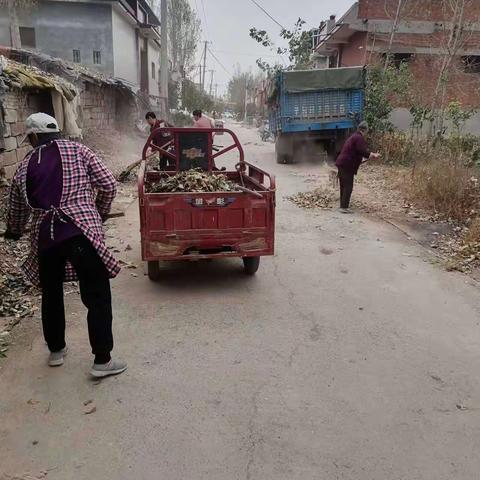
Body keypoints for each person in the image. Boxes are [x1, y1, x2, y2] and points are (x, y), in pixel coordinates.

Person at [4, 113, 127, 378]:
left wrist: (13, 232)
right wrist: (98, 212)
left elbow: (15, 208)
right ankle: (102, 361)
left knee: (51, 292)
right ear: (57, 131)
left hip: (45, 238)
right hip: (80, 232)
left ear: (33, 137)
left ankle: (57, 351)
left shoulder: (24, 166)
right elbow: (107, 184)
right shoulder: (80, 150)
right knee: (96, 294)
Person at [335, 121, 380, 213]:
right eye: (367, 130)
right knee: (348, 186)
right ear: (364, 129)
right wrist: (372, 155)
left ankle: (343, 205)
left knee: (343, 185)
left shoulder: (354, 136)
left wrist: (366, 157)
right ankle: (344, 207)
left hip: (342, 163)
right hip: (346, 165)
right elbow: (362, 150)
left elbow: (356, 152)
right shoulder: (358, 138)